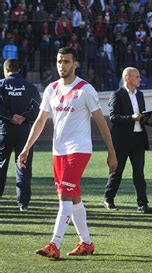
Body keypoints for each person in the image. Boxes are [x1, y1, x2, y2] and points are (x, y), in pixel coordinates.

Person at [18, 47, 117, 260]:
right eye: (59, 61)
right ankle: (87, 243)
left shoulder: (85, 89)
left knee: (64, 195)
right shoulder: (51, 89)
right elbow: (40, 121)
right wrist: (26, 148)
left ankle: (55, 243)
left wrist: (112, 152)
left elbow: (101, 122)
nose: (61, 65)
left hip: (79, 149)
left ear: (75, 64)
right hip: (58, 151)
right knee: (73, 198)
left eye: (66, 62)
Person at [104, 67, 152, 213]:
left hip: (138, 138)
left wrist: (149, 119)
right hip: (122, 140)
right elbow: (113, 117)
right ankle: (108, 199)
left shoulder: (140, 94)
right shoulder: (117, 94)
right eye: (137, 77)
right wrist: (131, 118)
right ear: (127, 78)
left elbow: (141, 115)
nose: (140, 79)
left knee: (139, 172)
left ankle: (142, 204)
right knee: (117, 171)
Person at [0, 58, 40, 211]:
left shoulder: (2, 84)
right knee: (23, 164)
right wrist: (24, 117)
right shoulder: (29, 86)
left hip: (4, 130)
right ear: (19, 70)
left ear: (5, 70)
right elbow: (38, 107)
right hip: (24, 130)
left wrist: (10, 116)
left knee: (1, 163)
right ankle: (23, 203)